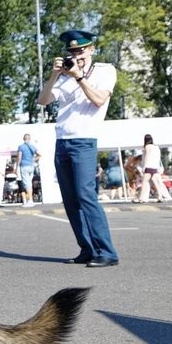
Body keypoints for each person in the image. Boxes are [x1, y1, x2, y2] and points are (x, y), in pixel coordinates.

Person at [37, 30, 120, 267]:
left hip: (84, 140)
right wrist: (54, 75)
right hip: (62, 140)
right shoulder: (63, 76)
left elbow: (98, 100)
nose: (77, 56)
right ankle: (87, 248)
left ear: (91, 49)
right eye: (72, 52)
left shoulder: (105, 71)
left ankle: (107, 251)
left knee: (86, 196)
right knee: (70, 200)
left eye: (81, 51)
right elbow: (43, 100)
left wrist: (79, 77)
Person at [139, 134, 172, 203]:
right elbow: (158, 158)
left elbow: (147, 156)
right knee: (156, 181)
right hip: (155, 166)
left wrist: (144, 166)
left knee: (145, 182)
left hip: (148, 166)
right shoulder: (156, 147)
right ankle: (160, 196)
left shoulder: (147, 146)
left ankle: (142, 198)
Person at [13, 133, 41, 207]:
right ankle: (30, 200)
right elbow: (40, 155)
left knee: (26, 184)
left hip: (24, 166)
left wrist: (16, 167)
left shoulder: (21, 147)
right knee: (29, 183)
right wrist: (33, 160)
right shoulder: (32, 146)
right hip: (31, 166)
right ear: (29, 139)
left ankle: (30, 200)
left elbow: (19, 157)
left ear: (23, 139)